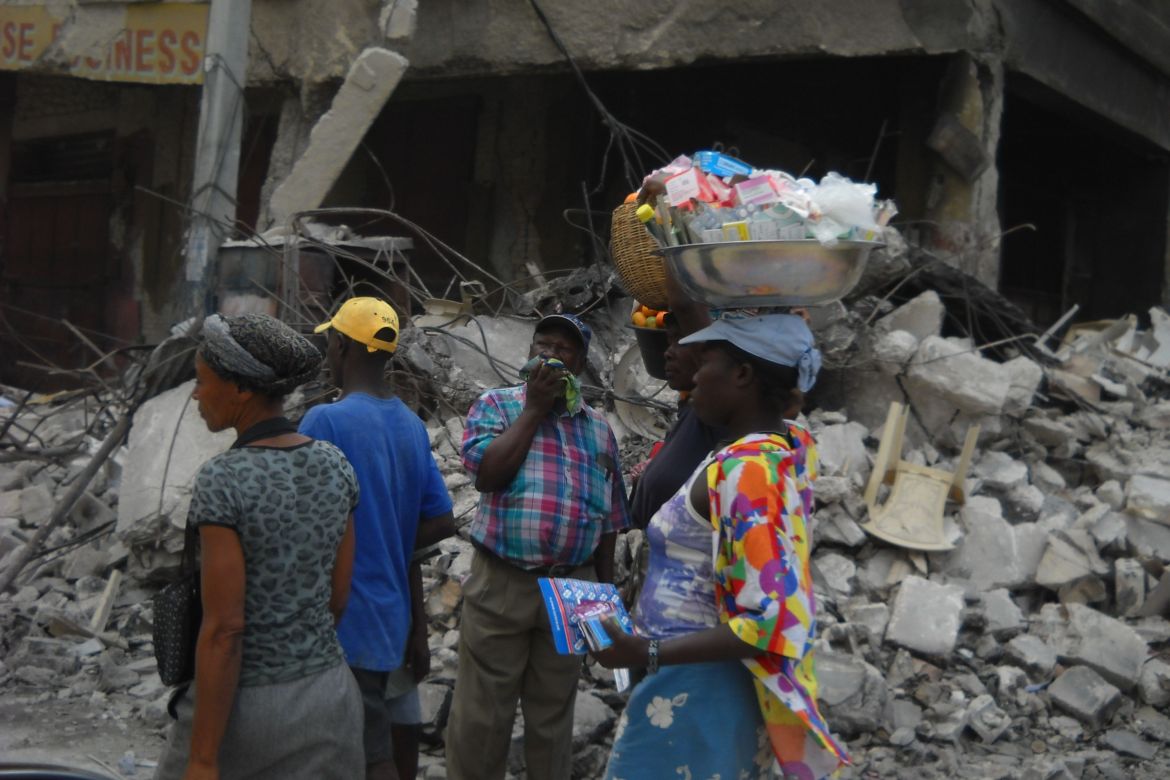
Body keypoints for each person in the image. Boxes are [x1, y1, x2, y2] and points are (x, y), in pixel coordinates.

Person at [593, 313, 849, 780]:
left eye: (706, 360)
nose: (694, 373)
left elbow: (771, 617)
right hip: (687, 682)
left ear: (742, 375)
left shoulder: (750, 471)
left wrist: (646, 651)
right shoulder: (760, 454)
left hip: (701, 690)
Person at [155, 313, 363, 780]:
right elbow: (337, 598)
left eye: (201, 381)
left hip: (249, 709)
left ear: (241, 390)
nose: (194, 394)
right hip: (329, 698)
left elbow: (225, 629)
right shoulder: (335, 465)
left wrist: (204, 758)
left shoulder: (224, 479)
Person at [445, 313, 633, 780]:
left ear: (581, 362)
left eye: (563, 349)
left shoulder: (597, 429)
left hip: (572, 586)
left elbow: (609, 520)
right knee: (483, 714)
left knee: (553, 716)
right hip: (503, 581)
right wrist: (533, 410)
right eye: (542, 344)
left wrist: (602, 602)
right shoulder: (497, 406)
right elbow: (487, 476)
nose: (549, 354)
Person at [300, 297, 456, 780]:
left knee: (365, 756)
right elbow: (441, 520)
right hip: (395, 617)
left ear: (342, 346)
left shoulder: (324, 422)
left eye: (330, 342)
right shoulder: (410, 424)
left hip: (346, 622)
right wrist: (387, 533)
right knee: (398, 737)